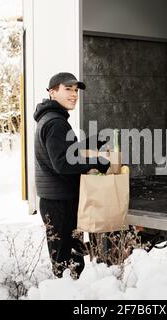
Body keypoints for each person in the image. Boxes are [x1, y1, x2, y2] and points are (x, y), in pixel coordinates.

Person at [34, 72, 109, 279]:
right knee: (66, 260)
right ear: (52, 92)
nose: (74, 94)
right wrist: (95, 162)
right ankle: (66, 292)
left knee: (67, 255)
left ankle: (67, 289)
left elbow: (62, 153)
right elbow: (63, 164)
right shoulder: (56, 123)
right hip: (59, 202)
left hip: (57, 199)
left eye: (76, 90)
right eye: (67, 89)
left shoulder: (51, 119)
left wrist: (88, 144)